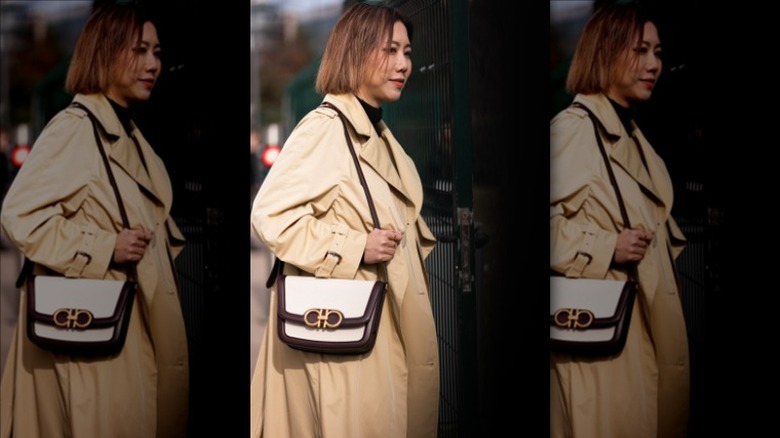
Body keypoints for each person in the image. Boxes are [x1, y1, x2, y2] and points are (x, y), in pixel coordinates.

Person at [250, 3, 439, 437]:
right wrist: (355, 246)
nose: (403, 64)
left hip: (373, 339)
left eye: (407, 52)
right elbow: (269, 214)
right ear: (355, 52)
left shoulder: (379, 135)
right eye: (390, 50)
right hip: (346, 343)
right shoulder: (325, 129)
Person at [0, 3, 189, 437]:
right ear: (104, 52)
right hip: (92, 338)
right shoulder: (75, 129)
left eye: (157, 52)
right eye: (139, 50)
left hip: (120, 335)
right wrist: (105, 246)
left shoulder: (129, 135)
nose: (153, 64)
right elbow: (19, 215)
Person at [549, 2, 689, 438]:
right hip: (604, 349)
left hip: (636, 341)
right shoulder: (574, 129)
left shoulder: (632, 137)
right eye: (641, 50)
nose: (654, 64)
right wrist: (606, 246)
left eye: (658, 52)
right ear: (606, 52)